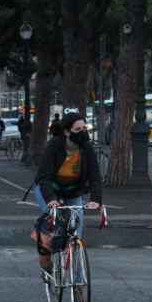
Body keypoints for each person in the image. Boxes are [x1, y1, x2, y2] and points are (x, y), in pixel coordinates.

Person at [33, 112, 102, 272]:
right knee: (54, 220)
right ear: (66, 131)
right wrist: (51, 199)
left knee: (77, 230)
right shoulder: (54, 146)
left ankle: (75, 275)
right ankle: (45, 253)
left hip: (72, 191)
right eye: (78, 129)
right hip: (48, 189)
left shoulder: (86, 148)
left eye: (85, 128)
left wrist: (95, 199)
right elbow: (44, 178)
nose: (83, 132)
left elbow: (95, 176)